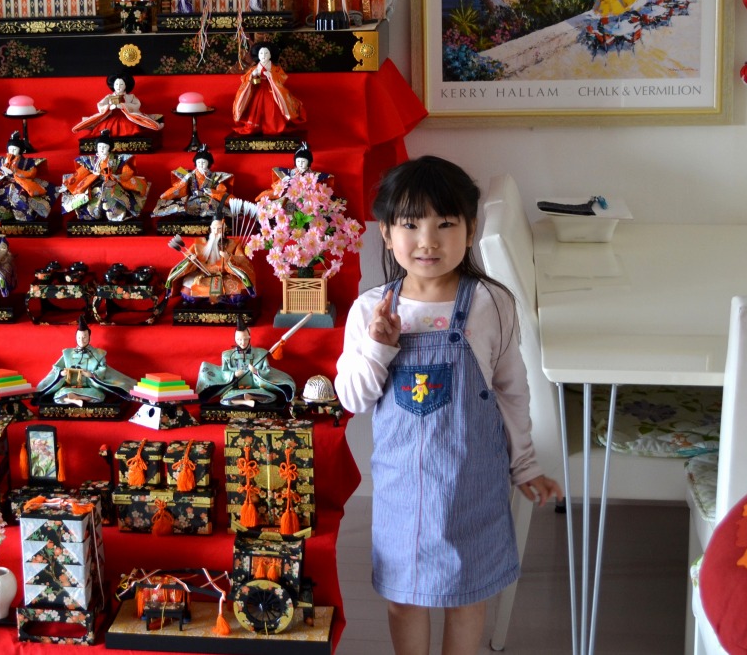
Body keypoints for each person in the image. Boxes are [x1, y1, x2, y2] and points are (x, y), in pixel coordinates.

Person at [334, 156, 562, 655]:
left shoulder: (491, 303)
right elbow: (353, 396)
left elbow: (511, 389)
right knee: (404, 600)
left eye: (445, 224)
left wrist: (525, 464)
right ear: (386, 232)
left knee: (468, 598)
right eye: (410, 224)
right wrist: (378, 346)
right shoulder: (370, 309)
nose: (428, 241)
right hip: (402, 489)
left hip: (473, 483)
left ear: (471, 230)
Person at [35, 316, 137, 407]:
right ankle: (74, 399)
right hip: (70, 386)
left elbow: (103, 369)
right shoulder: (67, 353)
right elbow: (56, 368)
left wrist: (91, 375)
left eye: (84, 337)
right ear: (75, 337)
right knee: (59, 395)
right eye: (79, 337)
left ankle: (75, 398)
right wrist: (61, 373)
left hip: (90, 387)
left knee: (99, 396)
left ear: (89, 337)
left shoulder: (98, 354)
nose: (81, 340)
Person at [163, 207, 257, 305]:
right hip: (203, 275)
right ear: (211, 228)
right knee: (187, 291)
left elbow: (242, 260)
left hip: (225, 276)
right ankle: (209, 298)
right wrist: (191, 259)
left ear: (224, 229)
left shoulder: (234, 243)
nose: (216, 231)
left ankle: (214, 299)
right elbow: (188, 256)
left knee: (239, 291)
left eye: (219, 229)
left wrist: (229, 257)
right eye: (214, 228)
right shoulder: (199, 243)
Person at [196, 318, 296, 407]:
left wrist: (256, 371)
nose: (242, 342)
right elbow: (224, 372)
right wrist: (234, 374)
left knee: (272, 397)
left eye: (245, 339)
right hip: (235, 389)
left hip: (255, 388)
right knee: (225, 399)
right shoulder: (227, 355)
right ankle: (245, 402)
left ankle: (251, 397)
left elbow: (267, 370)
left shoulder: (261, 353)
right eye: (239, 340)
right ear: (235, 339)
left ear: (249, 337)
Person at [59, 130, 150, 222]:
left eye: (105, 147)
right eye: (99, 146)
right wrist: (67, 184)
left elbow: (128, 171)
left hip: (113, 181)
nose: (102, 149)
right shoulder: (92, 160)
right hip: (96, 182)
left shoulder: (117, 159)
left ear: (110, 147)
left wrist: (118, 177)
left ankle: (115, 215)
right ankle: (93, 214)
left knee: (113, 194)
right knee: (94, 193)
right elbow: (81, 172)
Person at [0, 131, 51, 223]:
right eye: (10, 149)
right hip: (3, 182)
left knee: (19, 195)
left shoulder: (27, 162)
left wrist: (17, 172)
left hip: (20, 183)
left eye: (15, 149)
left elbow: (31, 173)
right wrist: (0, 176)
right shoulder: (2, 160)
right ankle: (0, 215)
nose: (12, 151)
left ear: (21, 150)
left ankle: (23, 216)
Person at [232, 45, 306, 136]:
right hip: (258, 92)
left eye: (266, 53)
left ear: (270, 55)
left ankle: (273, 127)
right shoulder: (253, 69)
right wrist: (253, 76)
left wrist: (271, 76)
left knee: (272, 110)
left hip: (272, 92)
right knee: (255, 111)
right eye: (261, 53)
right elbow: (254, 83)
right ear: (258, 55)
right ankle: (257, 127)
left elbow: (281, 80)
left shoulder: (276, 69)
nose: (263, 55)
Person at [70, 72, 164, 138]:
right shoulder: (109, 97)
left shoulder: (130, 97)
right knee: (105, 126)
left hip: (126, 117)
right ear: (113, 85)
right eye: (116, 84)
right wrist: (109, 107)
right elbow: (100, 104)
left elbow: (136, 105)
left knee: (129, 126)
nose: (118, 87)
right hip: (111, 116)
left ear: (126, 85)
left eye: (121, 84)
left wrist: (123, 106)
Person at [151, 146, 233, 219]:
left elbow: (222, 190)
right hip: (192, 199)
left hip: (208, 200)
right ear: (195, 163)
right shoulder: (188, 173)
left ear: (209, 163)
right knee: (182, 207)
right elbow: (178, 173)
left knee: (215, 207)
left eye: (203, 162)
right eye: (198, 162)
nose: (201, 164)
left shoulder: (215, 176)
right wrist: (185, 178)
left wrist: (212, 192)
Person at [257, 142, 333, 202]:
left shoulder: (313, 175)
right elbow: (284, 182)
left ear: (309, 162)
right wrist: (288, 180)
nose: (300, 163)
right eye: (298, 161)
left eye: (303, 161)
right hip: (292, 194)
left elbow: (317, 185)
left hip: (308, 196)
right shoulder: (291, 172)